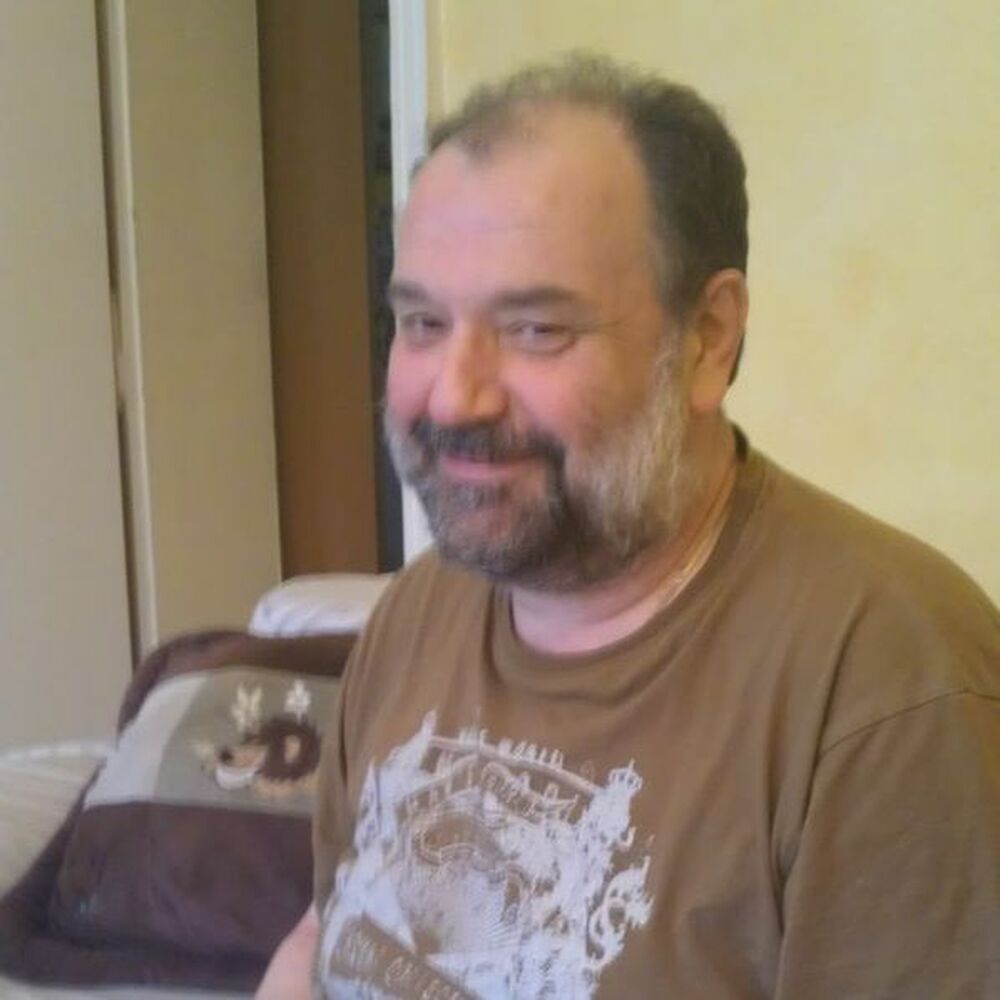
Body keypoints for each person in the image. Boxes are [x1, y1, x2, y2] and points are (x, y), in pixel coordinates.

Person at [257, 53, 999, 999]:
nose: (453, 397)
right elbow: (326, 931)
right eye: (422, 323)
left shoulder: (891, 683)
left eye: (537, 329)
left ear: (708, 339)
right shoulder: (418, 610)